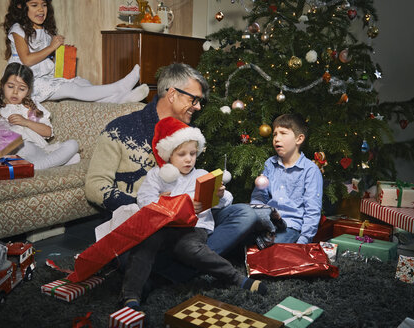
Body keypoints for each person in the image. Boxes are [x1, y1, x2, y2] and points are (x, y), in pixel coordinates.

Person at [85, 62, 258, 264]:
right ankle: (194, 264)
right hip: (145, 225)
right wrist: (150, 208)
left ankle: (178, 265)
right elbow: (95, 185)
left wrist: (214, 194)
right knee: (132, 253)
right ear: (173, 94)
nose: (199, 107)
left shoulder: (190, 133)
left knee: (245, 214)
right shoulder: (120, 129)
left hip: (190, 224)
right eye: (193, 99)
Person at [121, 117, 267, 310]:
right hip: (163, 228)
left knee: (189, 248)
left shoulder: (201, 175)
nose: (189, 159)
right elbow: (144, 199)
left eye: (192, 153)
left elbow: (225, 202)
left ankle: (235, 278)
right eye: (182, 154)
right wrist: (165, 200)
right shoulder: (157, 175)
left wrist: (220, 195)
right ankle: (131, 294)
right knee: (145, 244)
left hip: (194, 228)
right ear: (168, 155)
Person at [2, 0, 148, 103]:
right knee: (70, 88)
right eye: (34, 5)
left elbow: (46, 60)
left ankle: (119, 99)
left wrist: (61, 54)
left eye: (44, 5)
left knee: (81, 82)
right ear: (21, 7)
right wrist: (52, 47)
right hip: (26, 82)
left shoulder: (45, 31)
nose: (41, 9)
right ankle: (118, 87)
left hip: (44, 76)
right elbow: (26, 60)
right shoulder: (18, 29)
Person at [0, 62, 79, 170]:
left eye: (21, 89)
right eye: (10, 86)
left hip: (37, 151)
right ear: (2, 85)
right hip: (12, 153)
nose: (15, 92)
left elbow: (48, 132)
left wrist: (25, 122)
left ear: (28, 92)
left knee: (73, 144)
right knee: (19, 145)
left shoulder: (31, 109)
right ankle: (56, 162)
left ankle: (35, 166)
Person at [250, 113, 323, 244]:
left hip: (291, 227)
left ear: (299, 139)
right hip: (268, 223)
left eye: (283, 133)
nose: (277, 139)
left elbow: (312, 210)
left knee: (273, 249)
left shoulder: (310, 170)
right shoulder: (269, 164)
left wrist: (303, 241)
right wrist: (260, 216)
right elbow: (259, 196)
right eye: (274, 134)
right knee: (244, 243)